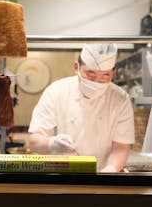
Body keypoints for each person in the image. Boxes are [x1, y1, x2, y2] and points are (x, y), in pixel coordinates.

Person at [28, 43, 135, 172]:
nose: (96, 82)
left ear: (113, 72)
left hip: (102, 176)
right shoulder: (56, 91)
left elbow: (121, 146)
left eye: (105, 75)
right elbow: (34, 141)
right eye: (90, 74)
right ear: (76, 67)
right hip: (60, 177)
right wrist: (52, 144)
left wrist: (110, 171)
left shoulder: (120, 99)